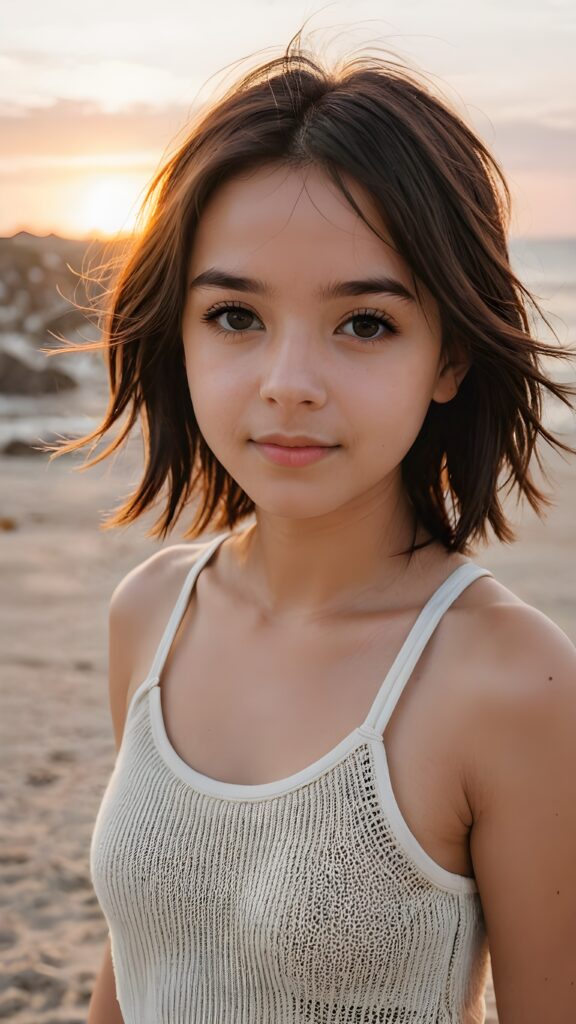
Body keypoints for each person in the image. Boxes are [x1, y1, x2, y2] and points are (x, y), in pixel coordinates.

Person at [47, 25, 576, 1024]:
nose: (289, 385)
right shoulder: (151, 613)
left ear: (450, 358)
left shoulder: (512, 680)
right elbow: (137, 968)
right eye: (236, 317)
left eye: (365, 323)